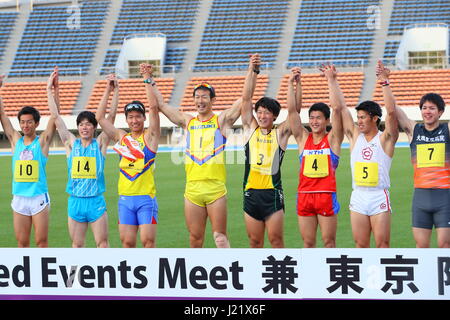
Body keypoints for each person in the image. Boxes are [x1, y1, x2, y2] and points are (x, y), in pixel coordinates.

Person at [147, 67, 243, 249]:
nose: (200, 100)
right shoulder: (187, 122)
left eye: (205, 96)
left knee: (220, 238)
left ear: (212, 100)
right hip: (192, 190)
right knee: (195, 239)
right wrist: (149, 79)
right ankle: (197, 276)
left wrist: (252, 71)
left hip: (215, 189)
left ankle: (230, 272)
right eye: (197, 96)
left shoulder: (221, 121)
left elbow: (244, 99)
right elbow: (161, 104)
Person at [46, 70, 119, 248]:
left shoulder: (100, 143)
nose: (84, 127)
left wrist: (113, 91)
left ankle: (103, 275)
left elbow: (111, 117)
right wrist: (50, 90)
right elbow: (56, 117)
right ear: (77, 127)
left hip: (95, 200)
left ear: (94, 127)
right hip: (75, 201)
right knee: (77, 245)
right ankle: (74, 277)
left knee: (102, 244)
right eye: (81, 124)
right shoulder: (71, 143)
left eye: (88, 124)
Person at [97, 64, 160, 248]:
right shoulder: (122, 138)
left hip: (146, 198)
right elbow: (100, 118)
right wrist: (108, 90)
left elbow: (155, 109)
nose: (134, 120)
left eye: (138, 116)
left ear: (143, 118)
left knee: (148, 242)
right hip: (125, 198)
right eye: (130, 117)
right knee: (127, 243)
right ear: (126, 119)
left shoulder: (150, 137)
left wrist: (146, 79)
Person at [341, 60, 399, 248]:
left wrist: (384, 82)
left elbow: (391, 112)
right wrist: (332, 81)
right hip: (358, 195)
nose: (359, 121)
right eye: (358, 118)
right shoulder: (355, 137)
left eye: (363, 117)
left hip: (378, 195)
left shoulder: (385, 139)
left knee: (382, 244)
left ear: (374, 118)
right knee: (360, 245)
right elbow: (341, 109)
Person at [288, 64, 345, 248]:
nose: (314, 121)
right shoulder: (303, 138)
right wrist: (293, 84)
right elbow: (292, 112)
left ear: (327, 120)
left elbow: (337, 109)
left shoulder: (333, 139)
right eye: (311, 117)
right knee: (308, 243)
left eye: (318, 117)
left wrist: (331, 80)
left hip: (326, 195)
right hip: (304, 196)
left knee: (329, 243)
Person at [0, 70, 58, 247]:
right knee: (22, 242)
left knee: (41, 242)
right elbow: (2, 116)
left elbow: (55, 118)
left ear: (36, 123)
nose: (25, 125)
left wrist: (55, 90)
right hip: (19, 197)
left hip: (38, 197)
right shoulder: (15, 140)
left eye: (29, 122)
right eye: (22, 122)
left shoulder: (42, 142)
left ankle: (43, 274)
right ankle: (25, 274)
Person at [240, 54, 292, 248]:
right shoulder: (251, 130)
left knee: (276, 241)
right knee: (254, 242)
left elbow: (294, 113)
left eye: (266, 112)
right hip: (251, 193)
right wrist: (252, 70)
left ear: (274, 116)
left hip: (272, 193)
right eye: (259, 112)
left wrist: (293, 85)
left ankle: (280, 276)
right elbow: (246, 99)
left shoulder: (280, 134)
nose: (262, 116)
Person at [396, 91, 450, 248]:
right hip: (420, 197)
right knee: (421, 246)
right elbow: (393, 109)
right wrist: (385, 82)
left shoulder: (447, 131)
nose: (427, 111)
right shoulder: (414, 130)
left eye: (432, 108)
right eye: (424, 108)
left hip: (444, 197)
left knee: (445, 245)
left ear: (440, 112)